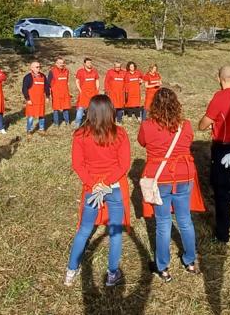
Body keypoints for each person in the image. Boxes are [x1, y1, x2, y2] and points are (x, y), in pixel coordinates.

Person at [65, 95, 132, 288]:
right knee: (115, 232)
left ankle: (71, 270)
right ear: (110, 111)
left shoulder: (80, 135)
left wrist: (93, 184)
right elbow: (124, 164)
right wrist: (107, 182)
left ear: (90, 111)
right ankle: (112, 273)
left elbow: (77, 164)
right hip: (114, 188)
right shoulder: (120, 133)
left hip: (92, 188)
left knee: (84, 229)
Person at [138, 88, 204, 281]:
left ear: (154, 105)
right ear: (177, 104)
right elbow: (189, 141)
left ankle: (163, 267)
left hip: (160, 178)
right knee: (185, 220)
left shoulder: (147, 126)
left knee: (163, 223)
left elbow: (142, 142)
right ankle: (190, 261)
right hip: (184, 175)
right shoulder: (186, 125)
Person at [199, 66, 230, 243]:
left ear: (218, 78)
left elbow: (203, 124)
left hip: (223, 148)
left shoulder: (219, 98)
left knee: (221, 190)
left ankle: (222, 233)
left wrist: (209, 122)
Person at [23, 61, 50, 134]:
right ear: (32, 68)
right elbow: (24, 89)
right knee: (31, 116)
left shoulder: (43, 76)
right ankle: (29, 130)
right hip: (32, 100)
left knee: (42, 115)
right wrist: (27, 99)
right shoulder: (28, 77)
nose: (39, 68)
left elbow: (46, 87)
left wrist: (47, 96)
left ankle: (41, 129)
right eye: (37, 67)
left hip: (41, 100)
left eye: (39, 67)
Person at [74, 58, 101, 127]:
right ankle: (77, 124)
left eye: (90, 63)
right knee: (80, 109)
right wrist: (80, 90)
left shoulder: (94, 71)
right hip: (83, 94)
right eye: (88, 63)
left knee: (93, 109)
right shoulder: (80, 71)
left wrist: (97, 89)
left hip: (93, 93)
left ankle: (92, 123)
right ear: (84, 64)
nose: (90, 64)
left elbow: (97, 80)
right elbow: (77, 81)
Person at [49, 58, 73, 127]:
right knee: (56, 109)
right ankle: (56, 123)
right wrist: (49, 93)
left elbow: (66, 81)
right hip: (56, 93)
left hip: (65, 93)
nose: (61, 64)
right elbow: (49, 83)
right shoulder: (52, 71)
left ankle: (67, 121)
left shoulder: (66, 71)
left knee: (66, 107)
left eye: (62, 63)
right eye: (59, 63)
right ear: (56, 64)